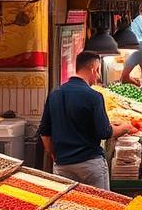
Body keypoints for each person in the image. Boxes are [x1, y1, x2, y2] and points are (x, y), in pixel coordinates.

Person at [39, 52, 135, 189]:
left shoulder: (55, 94)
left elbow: (44, 131)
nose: (98, 77)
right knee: (100, 206)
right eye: (98, 71)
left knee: (68, 208)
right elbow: (104, 132)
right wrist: (124, 127)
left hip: (62, 165)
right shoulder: (94, 96)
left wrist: (54, 154)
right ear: (93, 69)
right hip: (90, 164)